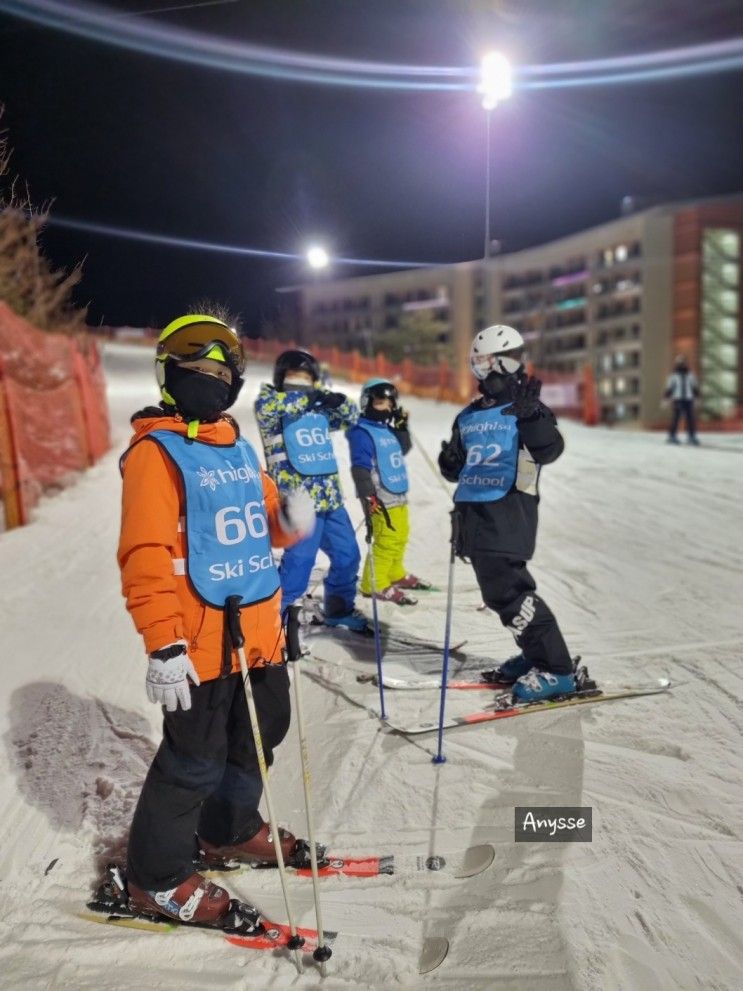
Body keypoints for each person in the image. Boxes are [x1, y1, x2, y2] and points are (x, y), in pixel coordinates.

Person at [116, 314, 316, 928]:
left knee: (260, 736)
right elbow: (145, 553)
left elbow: (262, 523)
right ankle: (157, 877)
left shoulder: (238, 444)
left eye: (219, 368)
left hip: (258, 634)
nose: (209, 376)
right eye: (193, 367)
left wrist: (291, 517)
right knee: (193, 760)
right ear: (168, 375)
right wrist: (164, 644)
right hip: (199, 641)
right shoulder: (156, 453)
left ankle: (228, 829)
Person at [438, 324, 575, 702]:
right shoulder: (468, 416)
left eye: (500, 363)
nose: (492, 372)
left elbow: (549, 450)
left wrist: (531, 416)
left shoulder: (526, 410)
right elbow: (457, 467)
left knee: (509, 592)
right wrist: (449, 461)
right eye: (482, 364)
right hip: (473, 517)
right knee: (498, 592)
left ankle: (556, 668)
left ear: (516, 363)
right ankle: (535, 653)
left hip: (508, 511)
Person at [254, 349, 368, 633]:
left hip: (330, 501)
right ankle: (275, 624)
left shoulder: (319, 410)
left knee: (348, 556)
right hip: (300, 503)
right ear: (281, 378)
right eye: (294, 377)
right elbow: (268, 409)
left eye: (306, 378)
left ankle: (338, 609)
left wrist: (335, 399)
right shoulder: (271, 406)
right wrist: (307, 397)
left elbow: (351, 415)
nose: (300, 383)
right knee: (299, 565)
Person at [346, 377, 430, 605]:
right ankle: (373, 583)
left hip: (397, 493)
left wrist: (402, 427)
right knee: (386, 539)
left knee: (401, 535)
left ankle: (394, 573)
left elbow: (403, 448)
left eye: (390, 404)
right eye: (381, 402)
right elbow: (360, 467)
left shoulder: (387, 430)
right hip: (379, 497)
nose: (387, 408)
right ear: (367, 402)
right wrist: (368, 495)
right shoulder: (361, 432)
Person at [664, 355, 700, 445]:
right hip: (678, 399)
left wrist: (697, 397)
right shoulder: (673, 376)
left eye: (683, 363)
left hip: (688, 399)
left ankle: (691, 436)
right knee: (676, 418)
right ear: (677, 364)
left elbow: (694, 387)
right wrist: (665, 399)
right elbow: (669, 388)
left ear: (685, 364)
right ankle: (672, 435)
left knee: (690, 418)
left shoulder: (690, 375)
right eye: (680, 363)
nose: (682, 365)